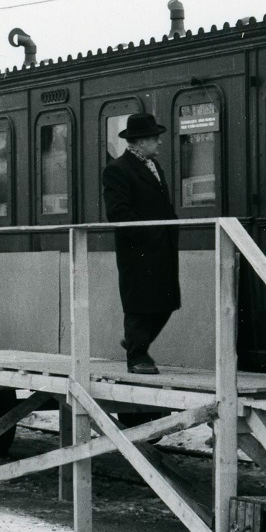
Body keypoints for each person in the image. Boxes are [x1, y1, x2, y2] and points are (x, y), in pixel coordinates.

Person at [102, 112, 180, 375]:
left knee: (167, 300)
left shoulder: (155, 167)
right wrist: (149, 233)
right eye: (155, 139)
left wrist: (171, 230)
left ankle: (137, 342)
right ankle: (136, 358)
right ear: (140, 141)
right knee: (139, 304)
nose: (159, 143)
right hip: (138, 249)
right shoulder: (117, 169)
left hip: (162, 245)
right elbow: (117, 211)